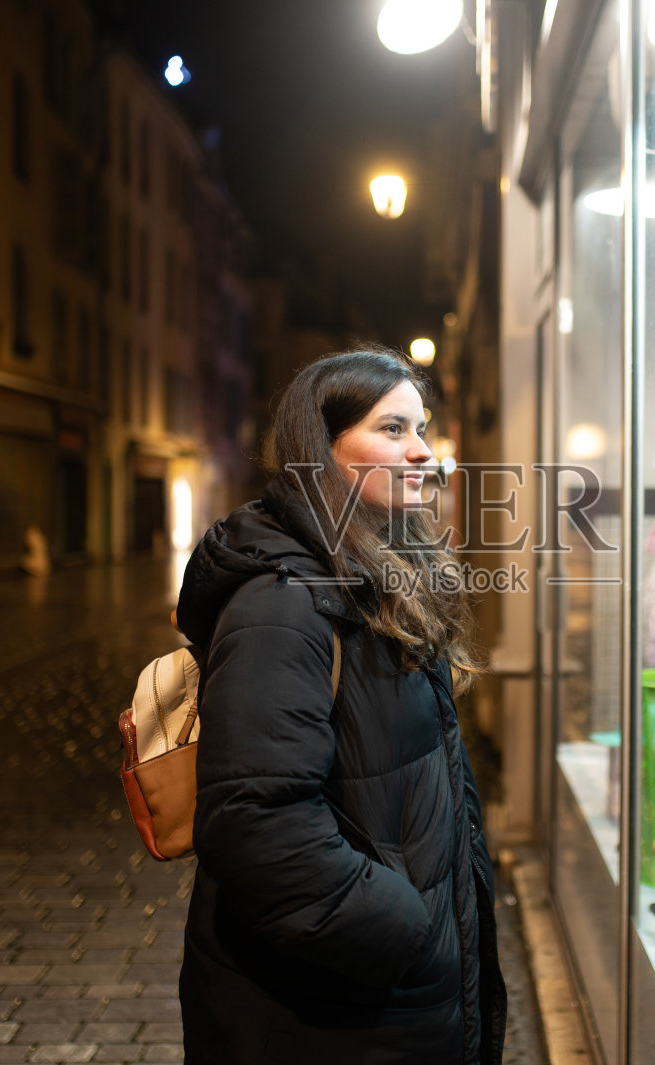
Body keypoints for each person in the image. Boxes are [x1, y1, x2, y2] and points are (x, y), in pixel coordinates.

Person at [172, 348, 506, 1064]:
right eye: (392, 429)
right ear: (321, 448)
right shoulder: (282, 605)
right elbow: (256, 823)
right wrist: (406, 931)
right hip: (330, 1011)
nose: (422, 451)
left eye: (421, 428)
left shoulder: (377, 580)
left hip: (380, 1004)